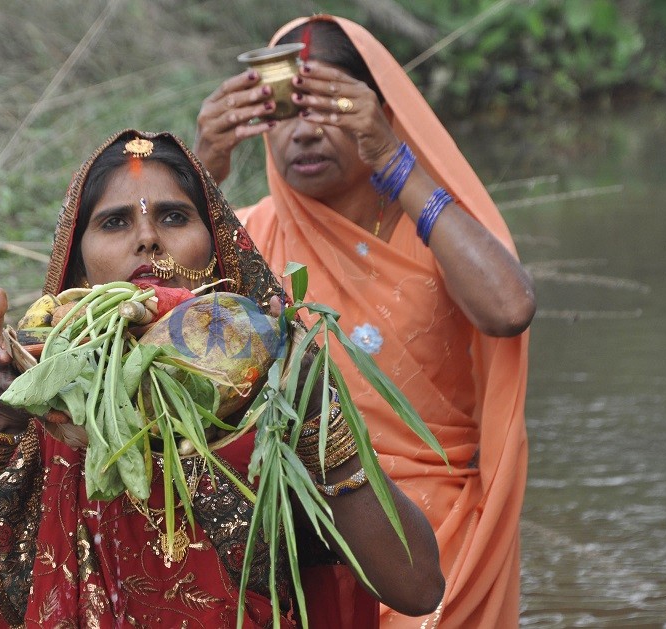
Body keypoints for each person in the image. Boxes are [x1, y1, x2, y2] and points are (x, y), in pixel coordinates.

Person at [0, 129, 444, 628]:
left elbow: (417, 589)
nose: (148, 237)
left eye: (173, 216)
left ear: (218, 251)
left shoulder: (272, 393)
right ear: (78, 265)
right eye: (115, 221)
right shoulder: (26, 396)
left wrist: (317, 414)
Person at [193, 15, 536, 629]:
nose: (303, 133)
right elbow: (148, 329)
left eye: (328, 107)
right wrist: (202, 172)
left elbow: (510, 310)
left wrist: (392, 160)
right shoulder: (246, 238)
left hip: (436, 538)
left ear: (375, 111)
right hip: (293, 538)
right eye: (284, 112)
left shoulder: (434, 229)